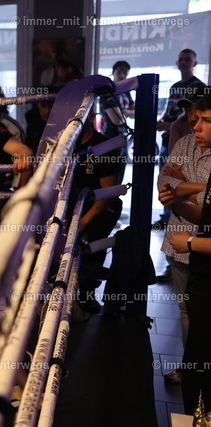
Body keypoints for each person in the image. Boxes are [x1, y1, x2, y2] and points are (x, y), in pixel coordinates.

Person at [158, 94, 211, 416]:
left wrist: (185, 185)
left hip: (196, 244)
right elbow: (166, 183)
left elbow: (204, 206)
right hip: (179, 242)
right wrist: (194, 189)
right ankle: (191, 368)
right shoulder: (184, 143)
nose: (195, 123)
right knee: (188, 312)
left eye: (205, 119)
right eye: (194, 116)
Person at [72, 109, 124, 314]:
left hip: (99, 205)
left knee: (91, 242)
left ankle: (87, 292)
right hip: (69, 204)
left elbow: (107, 194)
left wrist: (83, 222)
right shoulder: (62, 144)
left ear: (91, 116)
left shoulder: (104, 146)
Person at [154, 49, 206, 229]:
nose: (194, 119)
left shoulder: (200, 86)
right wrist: (164, 123)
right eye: (181, 59)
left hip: (197, 224)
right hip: (169, 137)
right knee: (170, 174)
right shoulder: (175, 87)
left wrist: (186, 187)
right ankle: (168, 214)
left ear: (194, 64)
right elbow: (166, 180)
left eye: (187, 60)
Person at [99, 61, 134, 139]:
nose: (122, 75)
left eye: (125, 73)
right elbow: (118, 120)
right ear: (113, 72)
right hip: (108, 137)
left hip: (124, 135)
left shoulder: (126, 92)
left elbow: (137, 113)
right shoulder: (107, 92)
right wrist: (129, 113)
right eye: (119, 72)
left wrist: (125, 112)